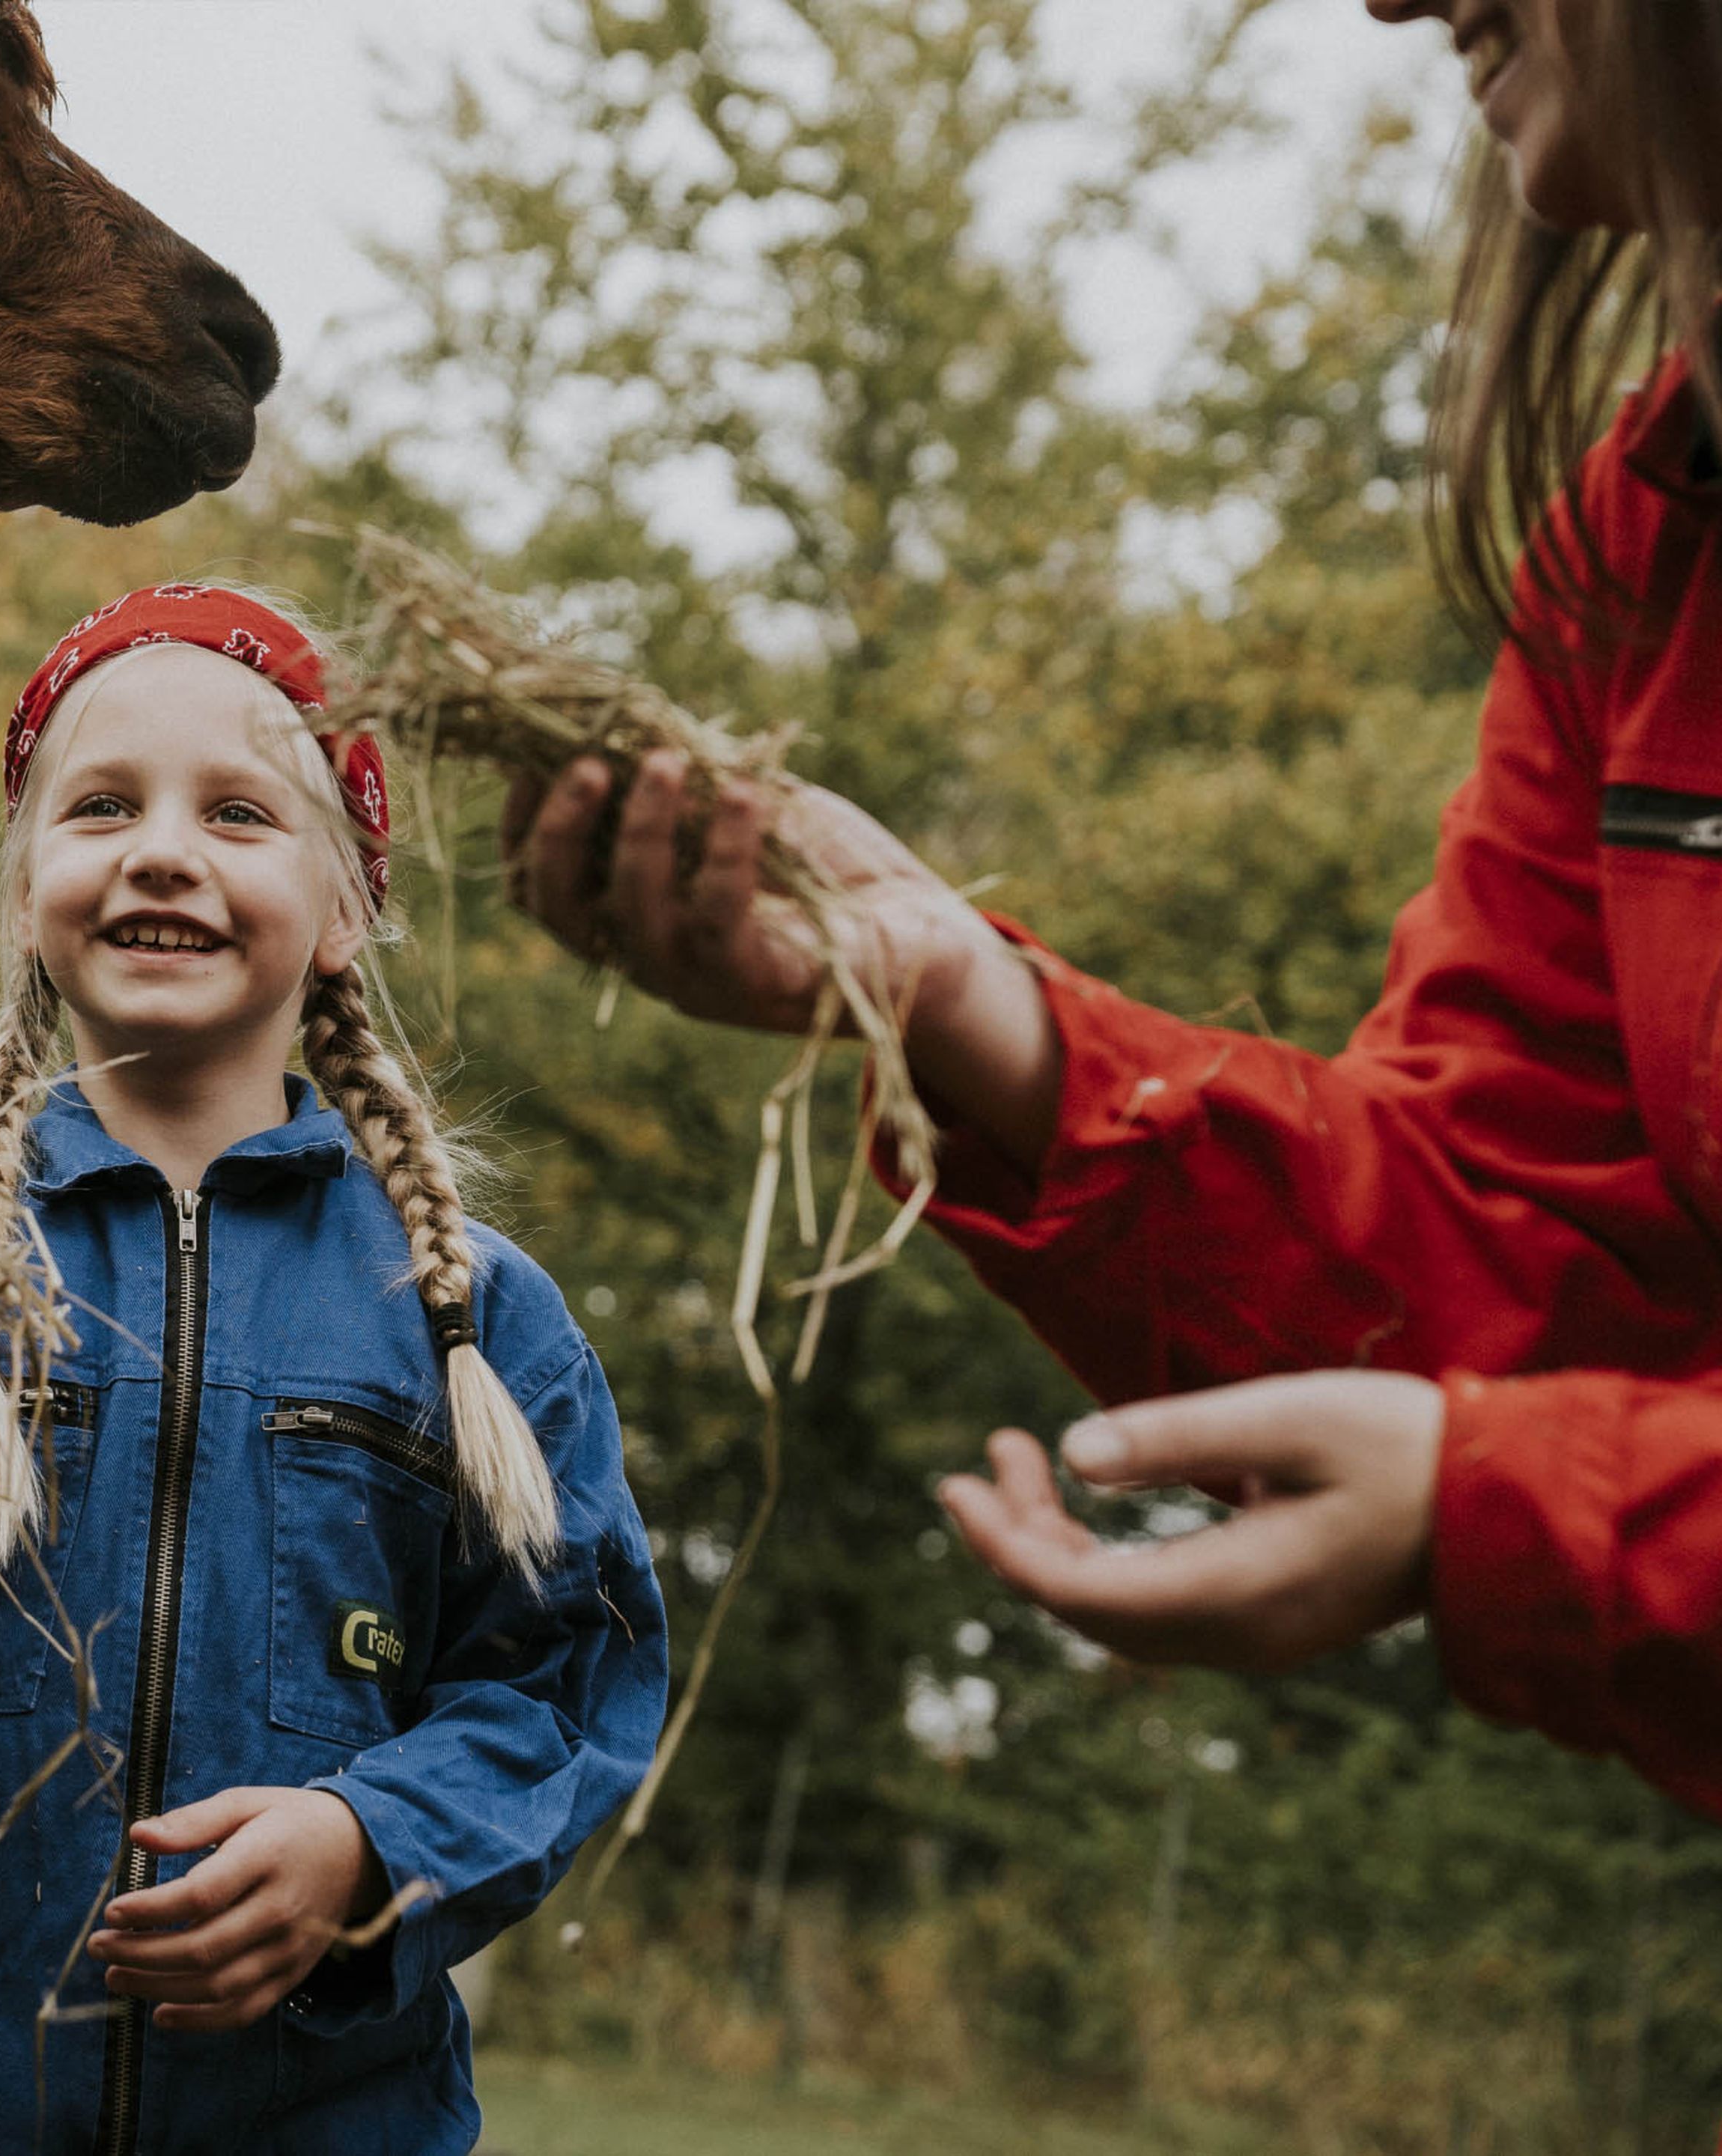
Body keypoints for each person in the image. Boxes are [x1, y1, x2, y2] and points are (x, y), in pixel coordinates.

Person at [499, 0, 1722, 1818]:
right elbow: (1511, 1257)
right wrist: (981, 1013)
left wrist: (1513, 1510)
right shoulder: (1641, 556)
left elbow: (1520, 1418)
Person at [0, 585, 666, 2153]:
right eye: (102, 807)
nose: (164, 849)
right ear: (28, 894)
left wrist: (367, 1839)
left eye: (239, 811)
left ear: (347, 906)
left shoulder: (473, 1315)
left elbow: (573, 1686)